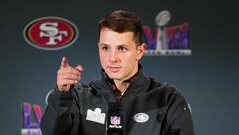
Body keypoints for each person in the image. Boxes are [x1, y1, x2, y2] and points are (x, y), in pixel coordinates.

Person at [40, 10, 195, 135]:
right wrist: (62, 94)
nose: (112, 58)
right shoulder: (79, 97)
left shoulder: (168, 99)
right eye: (105, 48)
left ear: (140, 51)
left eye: (122, 48)